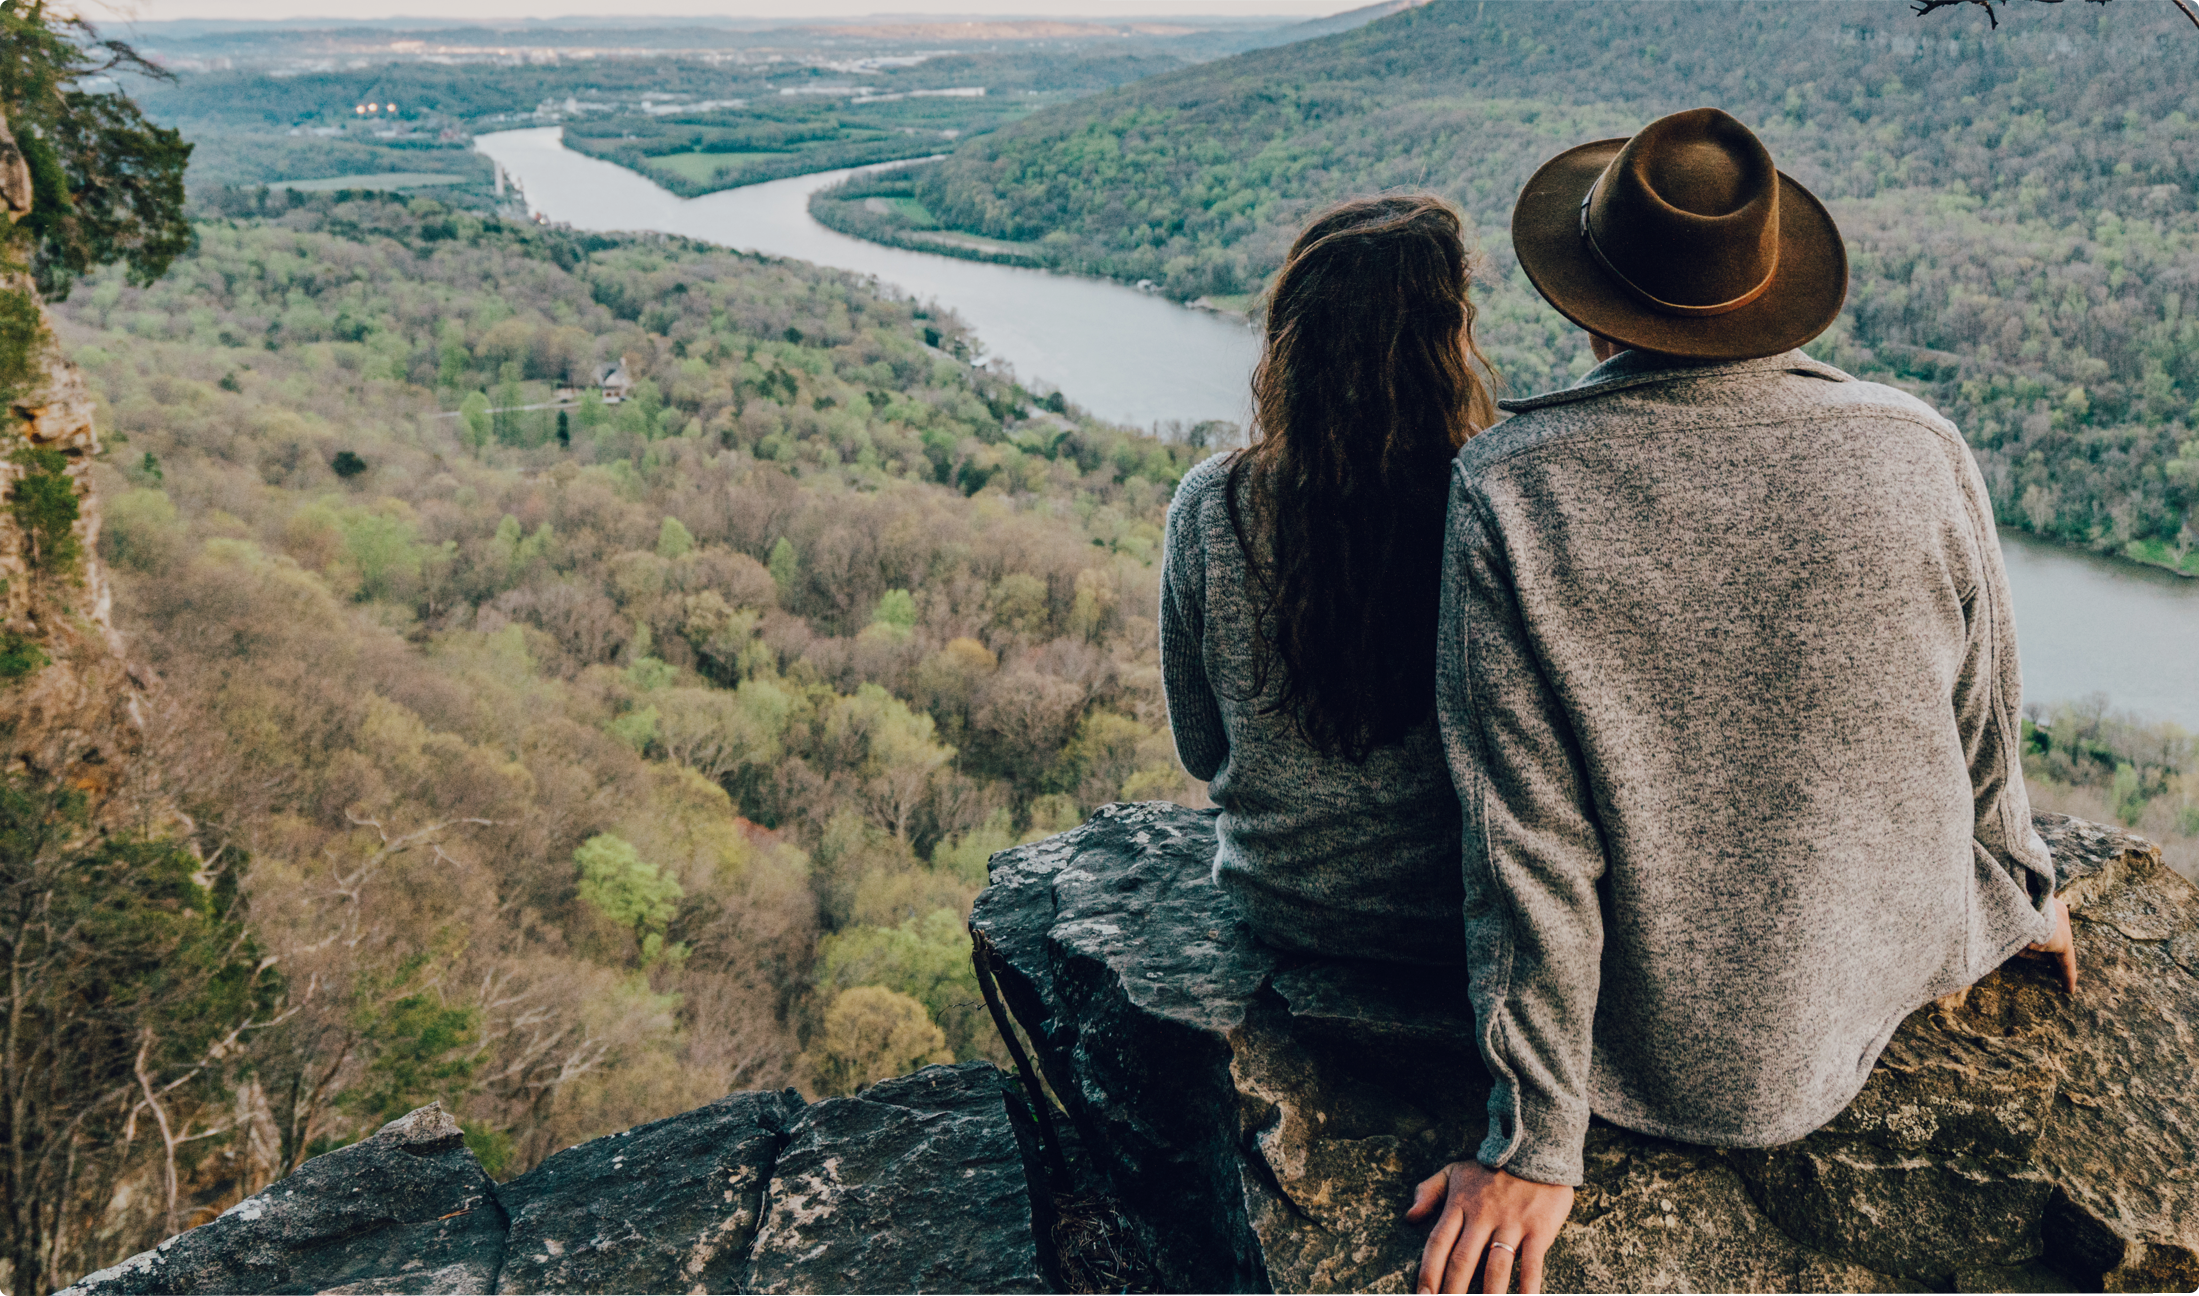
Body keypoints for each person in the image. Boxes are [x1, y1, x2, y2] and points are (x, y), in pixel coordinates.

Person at [1408, 107, 2077, 1295]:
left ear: (1584, 294)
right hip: (1895, 960)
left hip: (1668, 1055)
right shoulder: (1919, 445)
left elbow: (1528, 845)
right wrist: (2017, 880)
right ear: (1770, 284)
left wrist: (1536, 1145)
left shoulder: (1512, 489)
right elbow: (1983, 715)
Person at [1160, 194, 1498, 966]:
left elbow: (1199, 745)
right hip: (1455, 914)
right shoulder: (1495, 499)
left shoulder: (1211, 504)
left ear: (1291, 338)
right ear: (1445, 340)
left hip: (1278, 901)